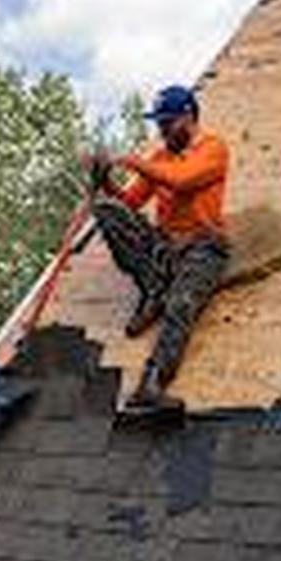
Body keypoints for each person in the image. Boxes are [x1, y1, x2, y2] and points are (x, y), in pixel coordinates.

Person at [87, 85, 230, 409]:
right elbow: (130, 202)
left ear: (188, 116)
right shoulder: (161, 157)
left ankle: (151, 382)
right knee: (109, 212)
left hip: (203, 246)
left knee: (181, 304)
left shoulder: (213, 149)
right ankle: (153, 290)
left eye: (167, 123)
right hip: (165, 244)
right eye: (160, 124)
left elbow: (182, 180)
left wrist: (132, 161)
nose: (162, 131)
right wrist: (105, 179)